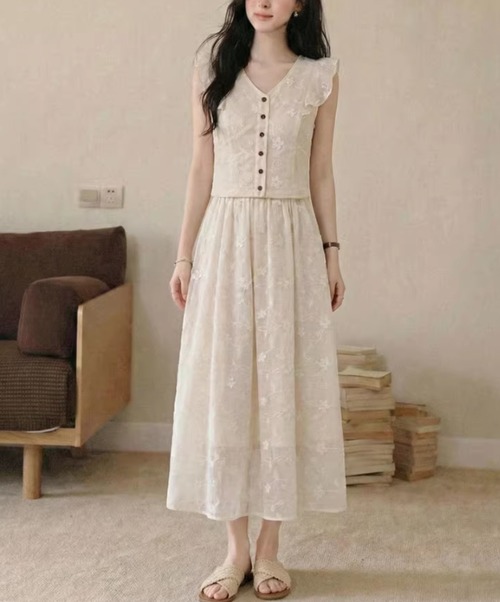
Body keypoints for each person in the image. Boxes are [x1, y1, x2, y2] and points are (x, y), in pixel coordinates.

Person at [166, 0, 347, 599]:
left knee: (281, 389)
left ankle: (270, 548)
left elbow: (321, 172)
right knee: (228, 387)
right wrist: (184, 255)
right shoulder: (211, 68)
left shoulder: (320, 77)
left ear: (300, 3)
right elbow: (200, 169)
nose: (264, 0)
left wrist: (332, 252)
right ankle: (234, 550)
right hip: (225, 242)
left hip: (292, 245)